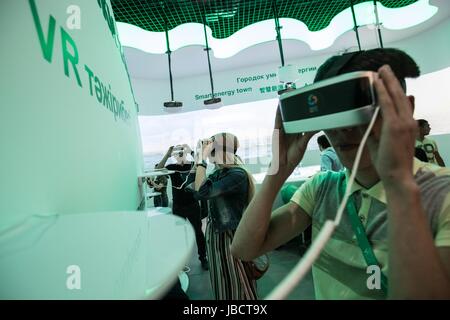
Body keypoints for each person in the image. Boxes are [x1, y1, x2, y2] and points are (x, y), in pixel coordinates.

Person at [231, 48, 450, 299]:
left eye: (360, 107)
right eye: (332, 111)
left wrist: (398, 186)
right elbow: (245, 249)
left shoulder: (442, 194)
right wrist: (278, 169)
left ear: (406, 109)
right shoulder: (322, 188)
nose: (343, 128)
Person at [190, 133, 258, 300]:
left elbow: (201, 192)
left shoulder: (236, 175)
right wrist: (199, 156)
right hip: (216, 237)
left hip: (230, 237)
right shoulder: (219, 173)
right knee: (222, 283)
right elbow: (194, 187)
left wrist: (202, 158)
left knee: (237, 284)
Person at [156, 145, 208, 270]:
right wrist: (168, 153)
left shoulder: (192, 165)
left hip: (192, 205)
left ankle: (203, 258)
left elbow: (202, 162)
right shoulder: (171, 168)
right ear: (173, 155)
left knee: (198, 232)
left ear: (185, 153)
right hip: (178, 206)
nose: (179, 154)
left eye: (181, 151)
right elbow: (158, 169)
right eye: (177, 152)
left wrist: (191, 151)